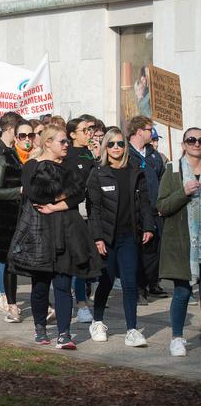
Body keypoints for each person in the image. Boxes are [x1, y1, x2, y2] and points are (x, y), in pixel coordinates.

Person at [9, 125, 100, 349]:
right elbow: (35, 193)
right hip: (40, 230)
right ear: (48, 143)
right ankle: (40, 327)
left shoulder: (70, 165)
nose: (66, 145)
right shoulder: (32, 165)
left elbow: (78, 194)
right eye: (62, 141)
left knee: (63, 282)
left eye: (67, 142)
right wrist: (60, 193)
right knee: (40, 285)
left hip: (65, 228)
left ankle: (64, 334)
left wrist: (56, 205)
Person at [86, 128, 155, 347]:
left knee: (129, 282)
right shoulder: (97, 173)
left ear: (126, 146)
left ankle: (132, 329)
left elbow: (144, 202)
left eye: (120, 144)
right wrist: (97, 237)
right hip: (107, 237)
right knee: (106, 279)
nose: (116, 148)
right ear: (105, 147)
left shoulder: (136, 170)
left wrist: (148, 226)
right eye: (112, 144)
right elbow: (93, 209)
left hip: (129, 235)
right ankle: (97, 321)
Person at [156, 127, 201, 357]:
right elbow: (162, 206)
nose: (196, 143)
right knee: (182, 292)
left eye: (200, 140)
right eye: (191, 140)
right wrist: (183, 192)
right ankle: (177, 337)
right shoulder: (173, 170)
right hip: (181, 242)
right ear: (183, 145)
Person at [0, 118, 34, 323]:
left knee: (38, 263)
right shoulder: (6, 158)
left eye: (30, 135)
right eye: (22, 136)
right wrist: (19, 191)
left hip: (34, 219)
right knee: (10, 264)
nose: (27, 139)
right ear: (15, 138)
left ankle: (44, 305)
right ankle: (12, 306)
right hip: (10, 219)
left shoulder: (38, 159)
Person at [127, 115, 167, 298]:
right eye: (150, 129)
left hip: (155, 209)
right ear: (139, 131)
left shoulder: (154, 155)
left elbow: (162, 179)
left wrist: (163, 201)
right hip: (135, 210)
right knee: (137, 250)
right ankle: (138, 288)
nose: (153, 133)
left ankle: (151, 282)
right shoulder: (125, 152)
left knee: (154, 250)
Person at [64, 117, 97, 324]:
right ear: (73, 134)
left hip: (92, 212)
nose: (89, 133)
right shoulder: (67, 155)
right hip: (74, 211)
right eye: (84, 130)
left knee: (85, 259)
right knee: (75, 259)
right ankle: (79, 303)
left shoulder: (91, 153)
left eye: (90, 129)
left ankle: (83, 298)